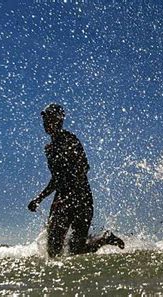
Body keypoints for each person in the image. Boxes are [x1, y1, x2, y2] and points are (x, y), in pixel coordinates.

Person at [28, 103, 124, 257]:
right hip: (65, 197)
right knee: (55, 250)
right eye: (44, 120)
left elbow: (84, 168)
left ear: (59, 120)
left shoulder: (70, 140)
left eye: (49, 119)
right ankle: (103, 238)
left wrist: (69, 191)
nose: (45, 124)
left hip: (79, 197)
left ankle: (104, 238)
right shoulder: (50, 148)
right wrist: (39, 199)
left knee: (74, 249)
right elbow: (56, 178)